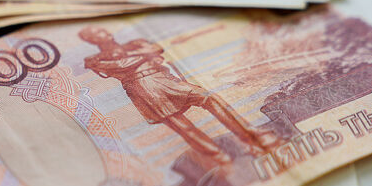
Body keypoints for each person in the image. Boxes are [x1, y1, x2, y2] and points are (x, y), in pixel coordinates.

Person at [79, 26, 280, 163]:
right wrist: (143, 56)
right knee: (182, 126)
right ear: (91, 40)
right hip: (142, 88)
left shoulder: (134, 43)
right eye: (97, 32)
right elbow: (121, 65)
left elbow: (156, 49)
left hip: (163, 78)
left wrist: (137, 57)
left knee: (209, 97)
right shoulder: (94, 59)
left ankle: (250, 134)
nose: (105, 32)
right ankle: (217, 156)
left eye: (103, 29)